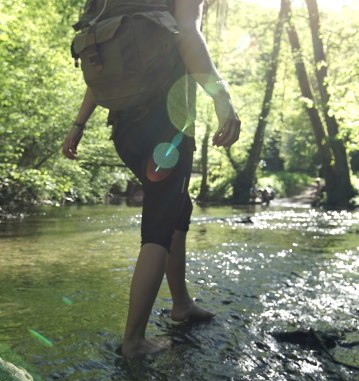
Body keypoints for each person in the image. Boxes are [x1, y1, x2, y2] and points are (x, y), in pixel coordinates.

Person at [62, 0, 240, 358]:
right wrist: (222, 99)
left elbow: (105, 71)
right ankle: (134, 340)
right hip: (166, 126)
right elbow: (188, 35)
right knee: (159, 222)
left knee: (177, 206)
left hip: (124, 130)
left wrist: (78, 125)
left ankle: (181, 303)